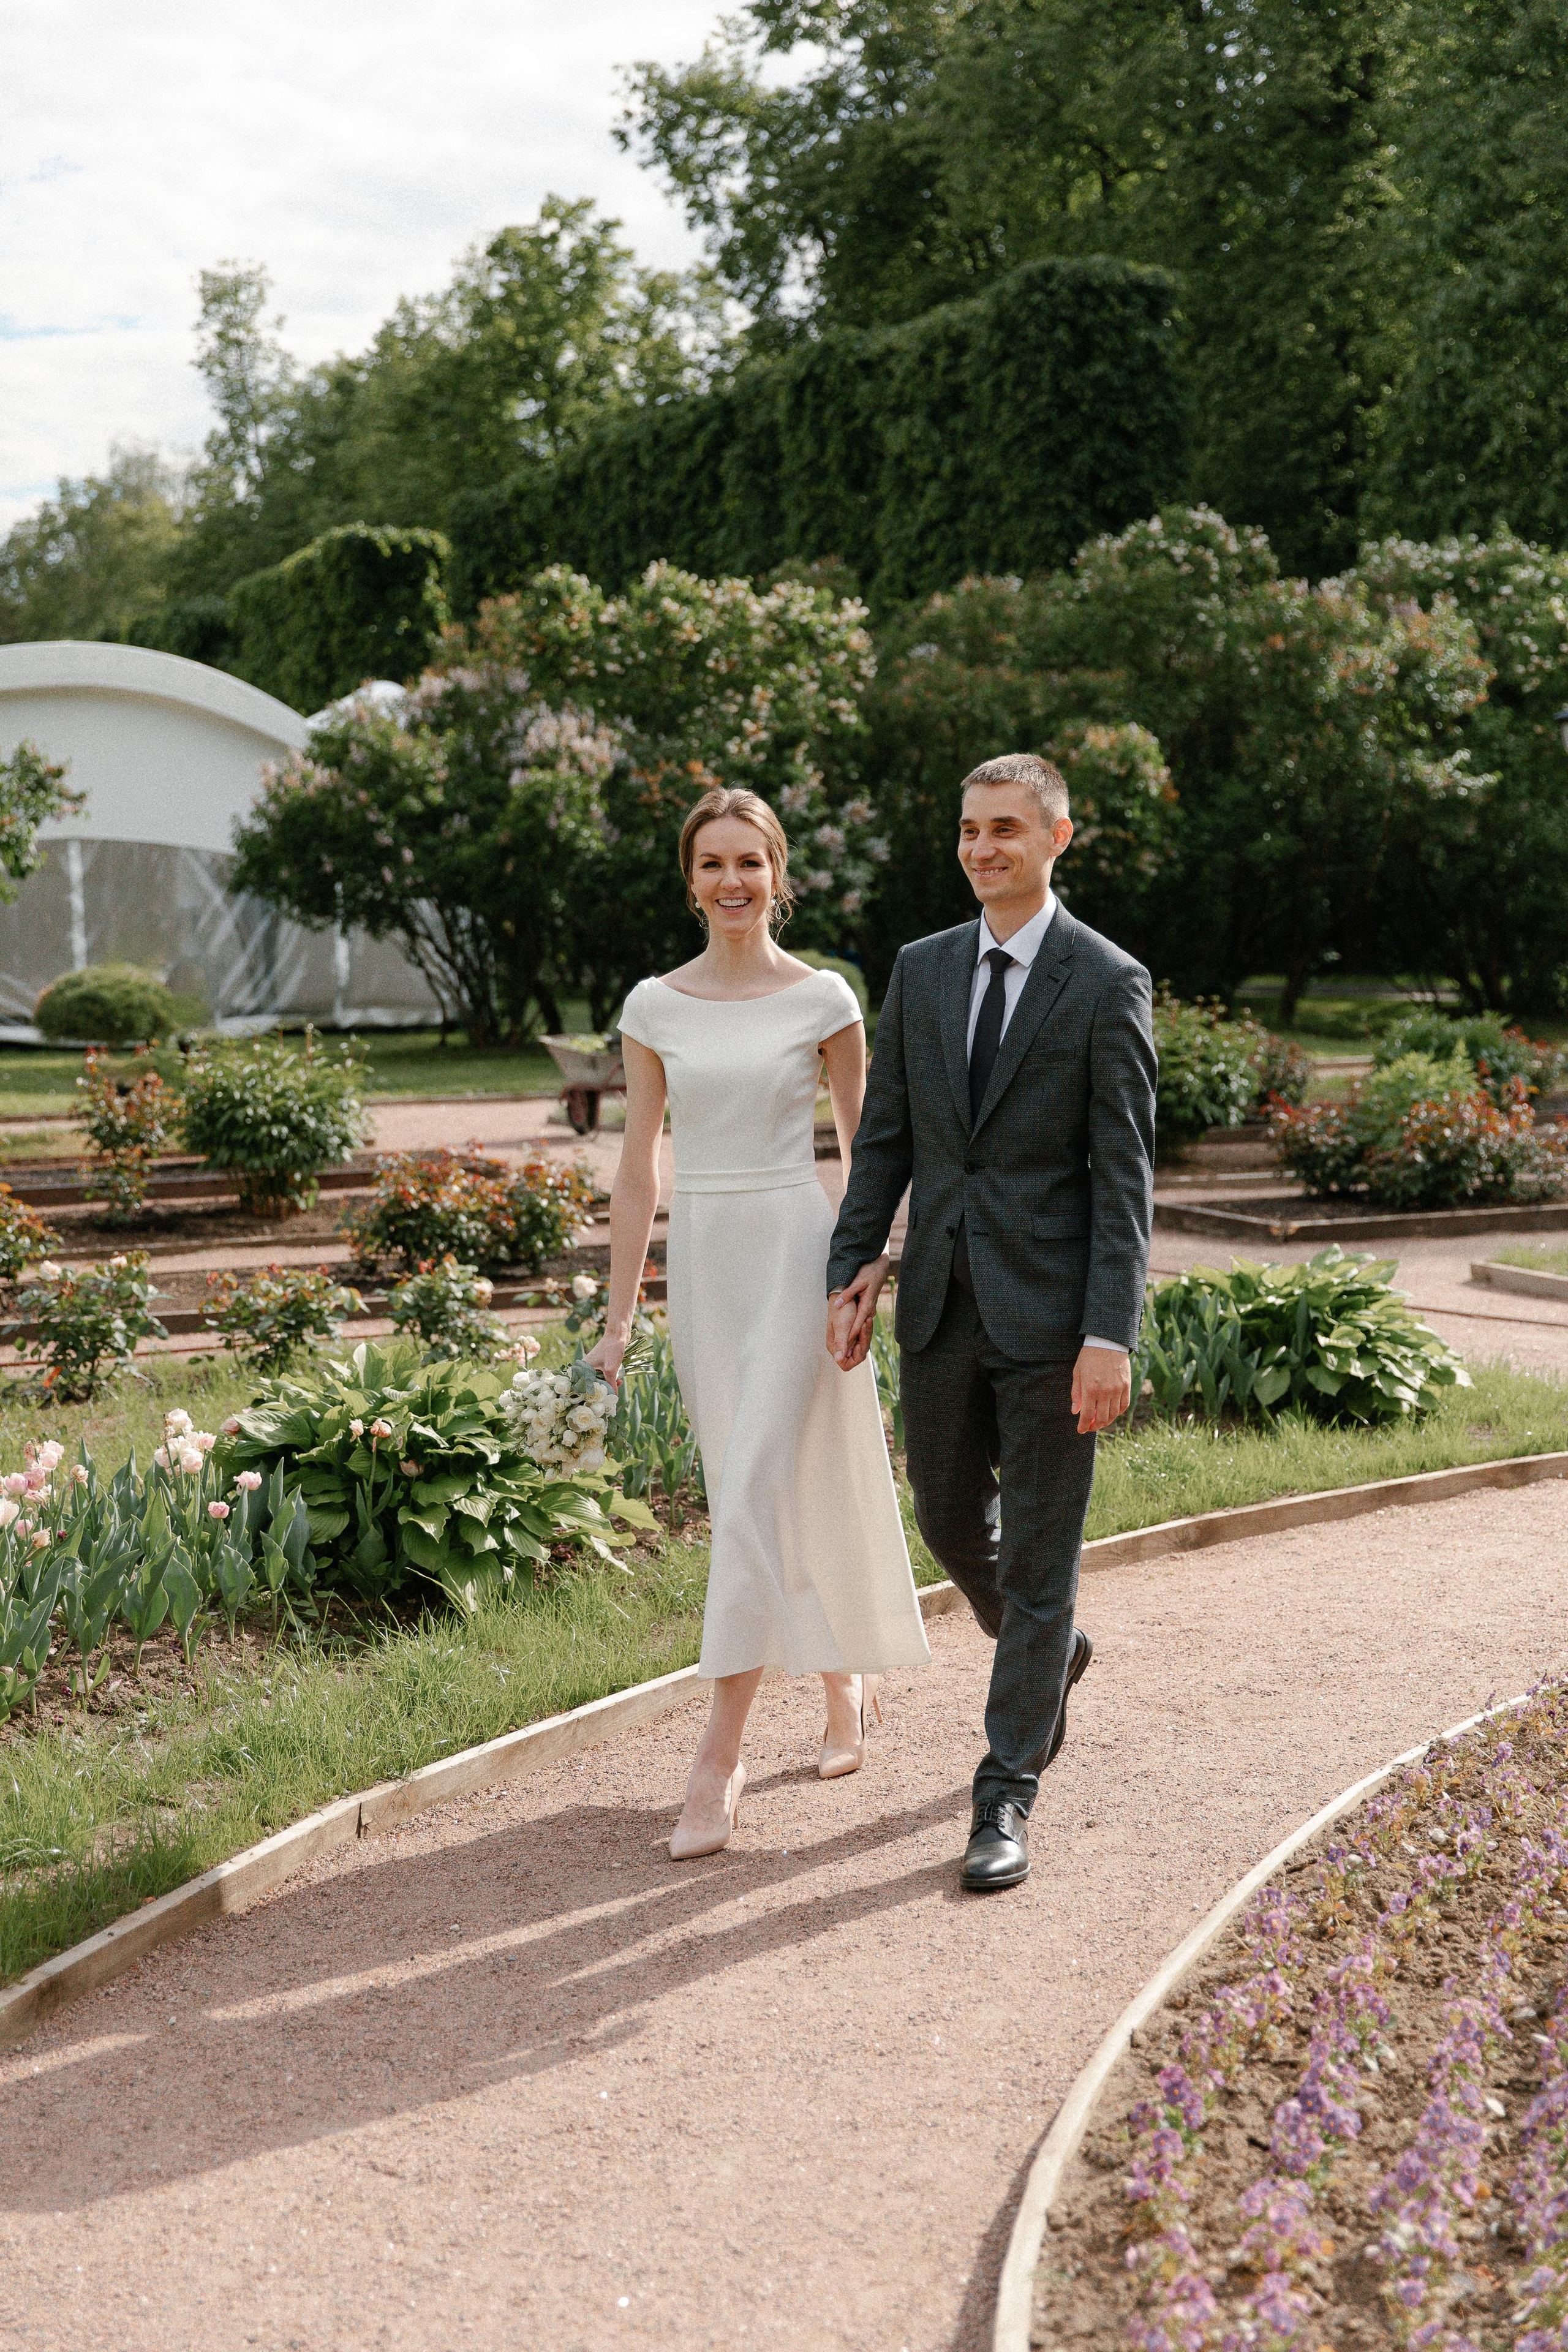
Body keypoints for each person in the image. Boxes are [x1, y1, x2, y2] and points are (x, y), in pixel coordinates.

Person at [827, 753, 1155, 1892]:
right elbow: (888, 1143)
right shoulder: (919, 972)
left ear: (1059, 837)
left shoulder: (1107, 982)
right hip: (940, 1308)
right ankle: (1051, 1650)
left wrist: (1109, 1332)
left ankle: (1004, 1792)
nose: (982, 849)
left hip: (1060, 1322)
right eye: (970, 829)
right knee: (946, 1521)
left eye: (1006, 829)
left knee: (1044, 1559)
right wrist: (854, 1264)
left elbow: (1124, 1181)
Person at [589, 785, 930, 1860]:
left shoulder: (824, 998)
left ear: (779, 874)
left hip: (797, 1253)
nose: (731, 881)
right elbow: (640, 1167)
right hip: (706, 1265)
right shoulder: (655, 1006)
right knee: (760, 1478)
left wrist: (865, 1271)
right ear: (689, 882)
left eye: (750, 862)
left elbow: (868, 1152)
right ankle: (845, 1691)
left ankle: (716, 1763)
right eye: (711, 864)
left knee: (750, 1493)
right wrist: (617, 1320)